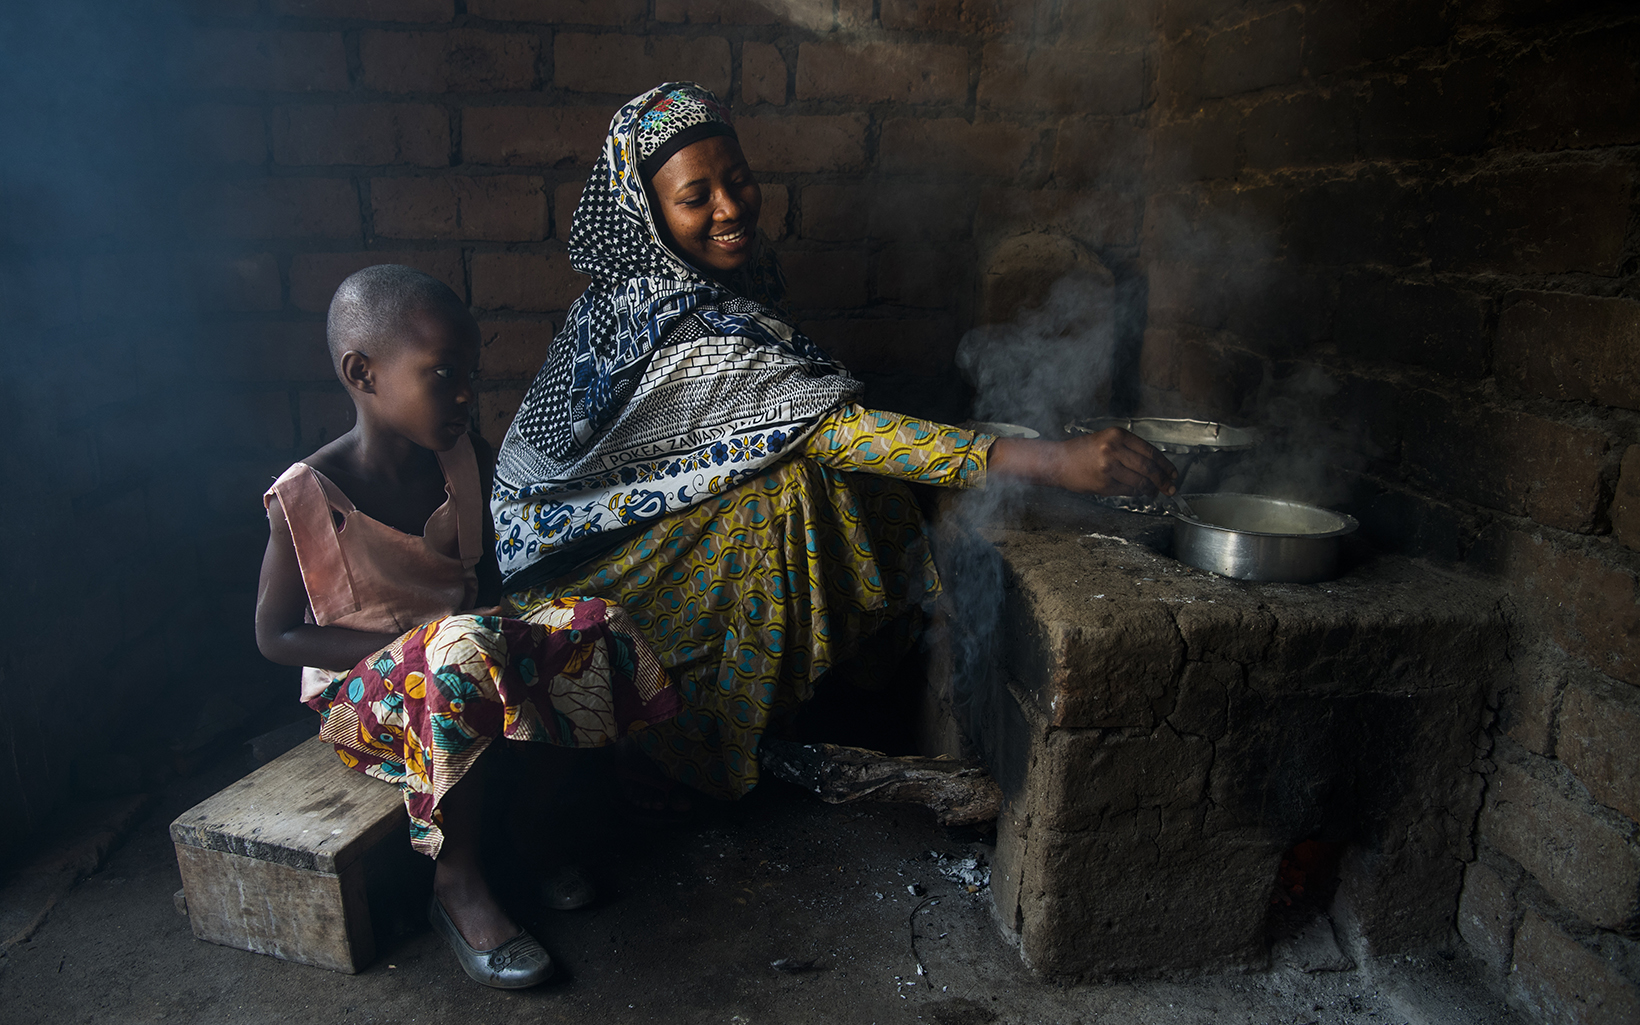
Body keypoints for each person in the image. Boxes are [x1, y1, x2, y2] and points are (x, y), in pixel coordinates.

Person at [491, 84, 1176, 811]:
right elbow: (827, 427)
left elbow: (793, 416)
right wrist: (1052, 460)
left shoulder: (673, 288)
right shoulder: (670, 324)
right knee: (794, 489)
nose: (730, 207)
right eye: (696, 197)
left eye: (738, 178)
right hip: (580, 597)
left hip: (617, 562)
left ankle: (818, 703)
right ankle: (690, 746)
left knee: (827, 476)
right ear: (649, 215)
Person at [254, 265, 681, 989]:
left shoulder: (464, 461)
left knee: (595, 623)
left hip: (460, 653)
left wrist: (507, 638)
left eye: (470, 375)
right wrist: (422, 645)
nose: (464, 394)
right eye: (443, 373)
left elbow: (483, 590)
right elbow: (275, 637)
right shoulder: (305, 497)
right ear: (363, 372)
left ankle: (531, 828)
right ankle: (458, 887)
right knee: (456, 650)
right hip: (367, 694)